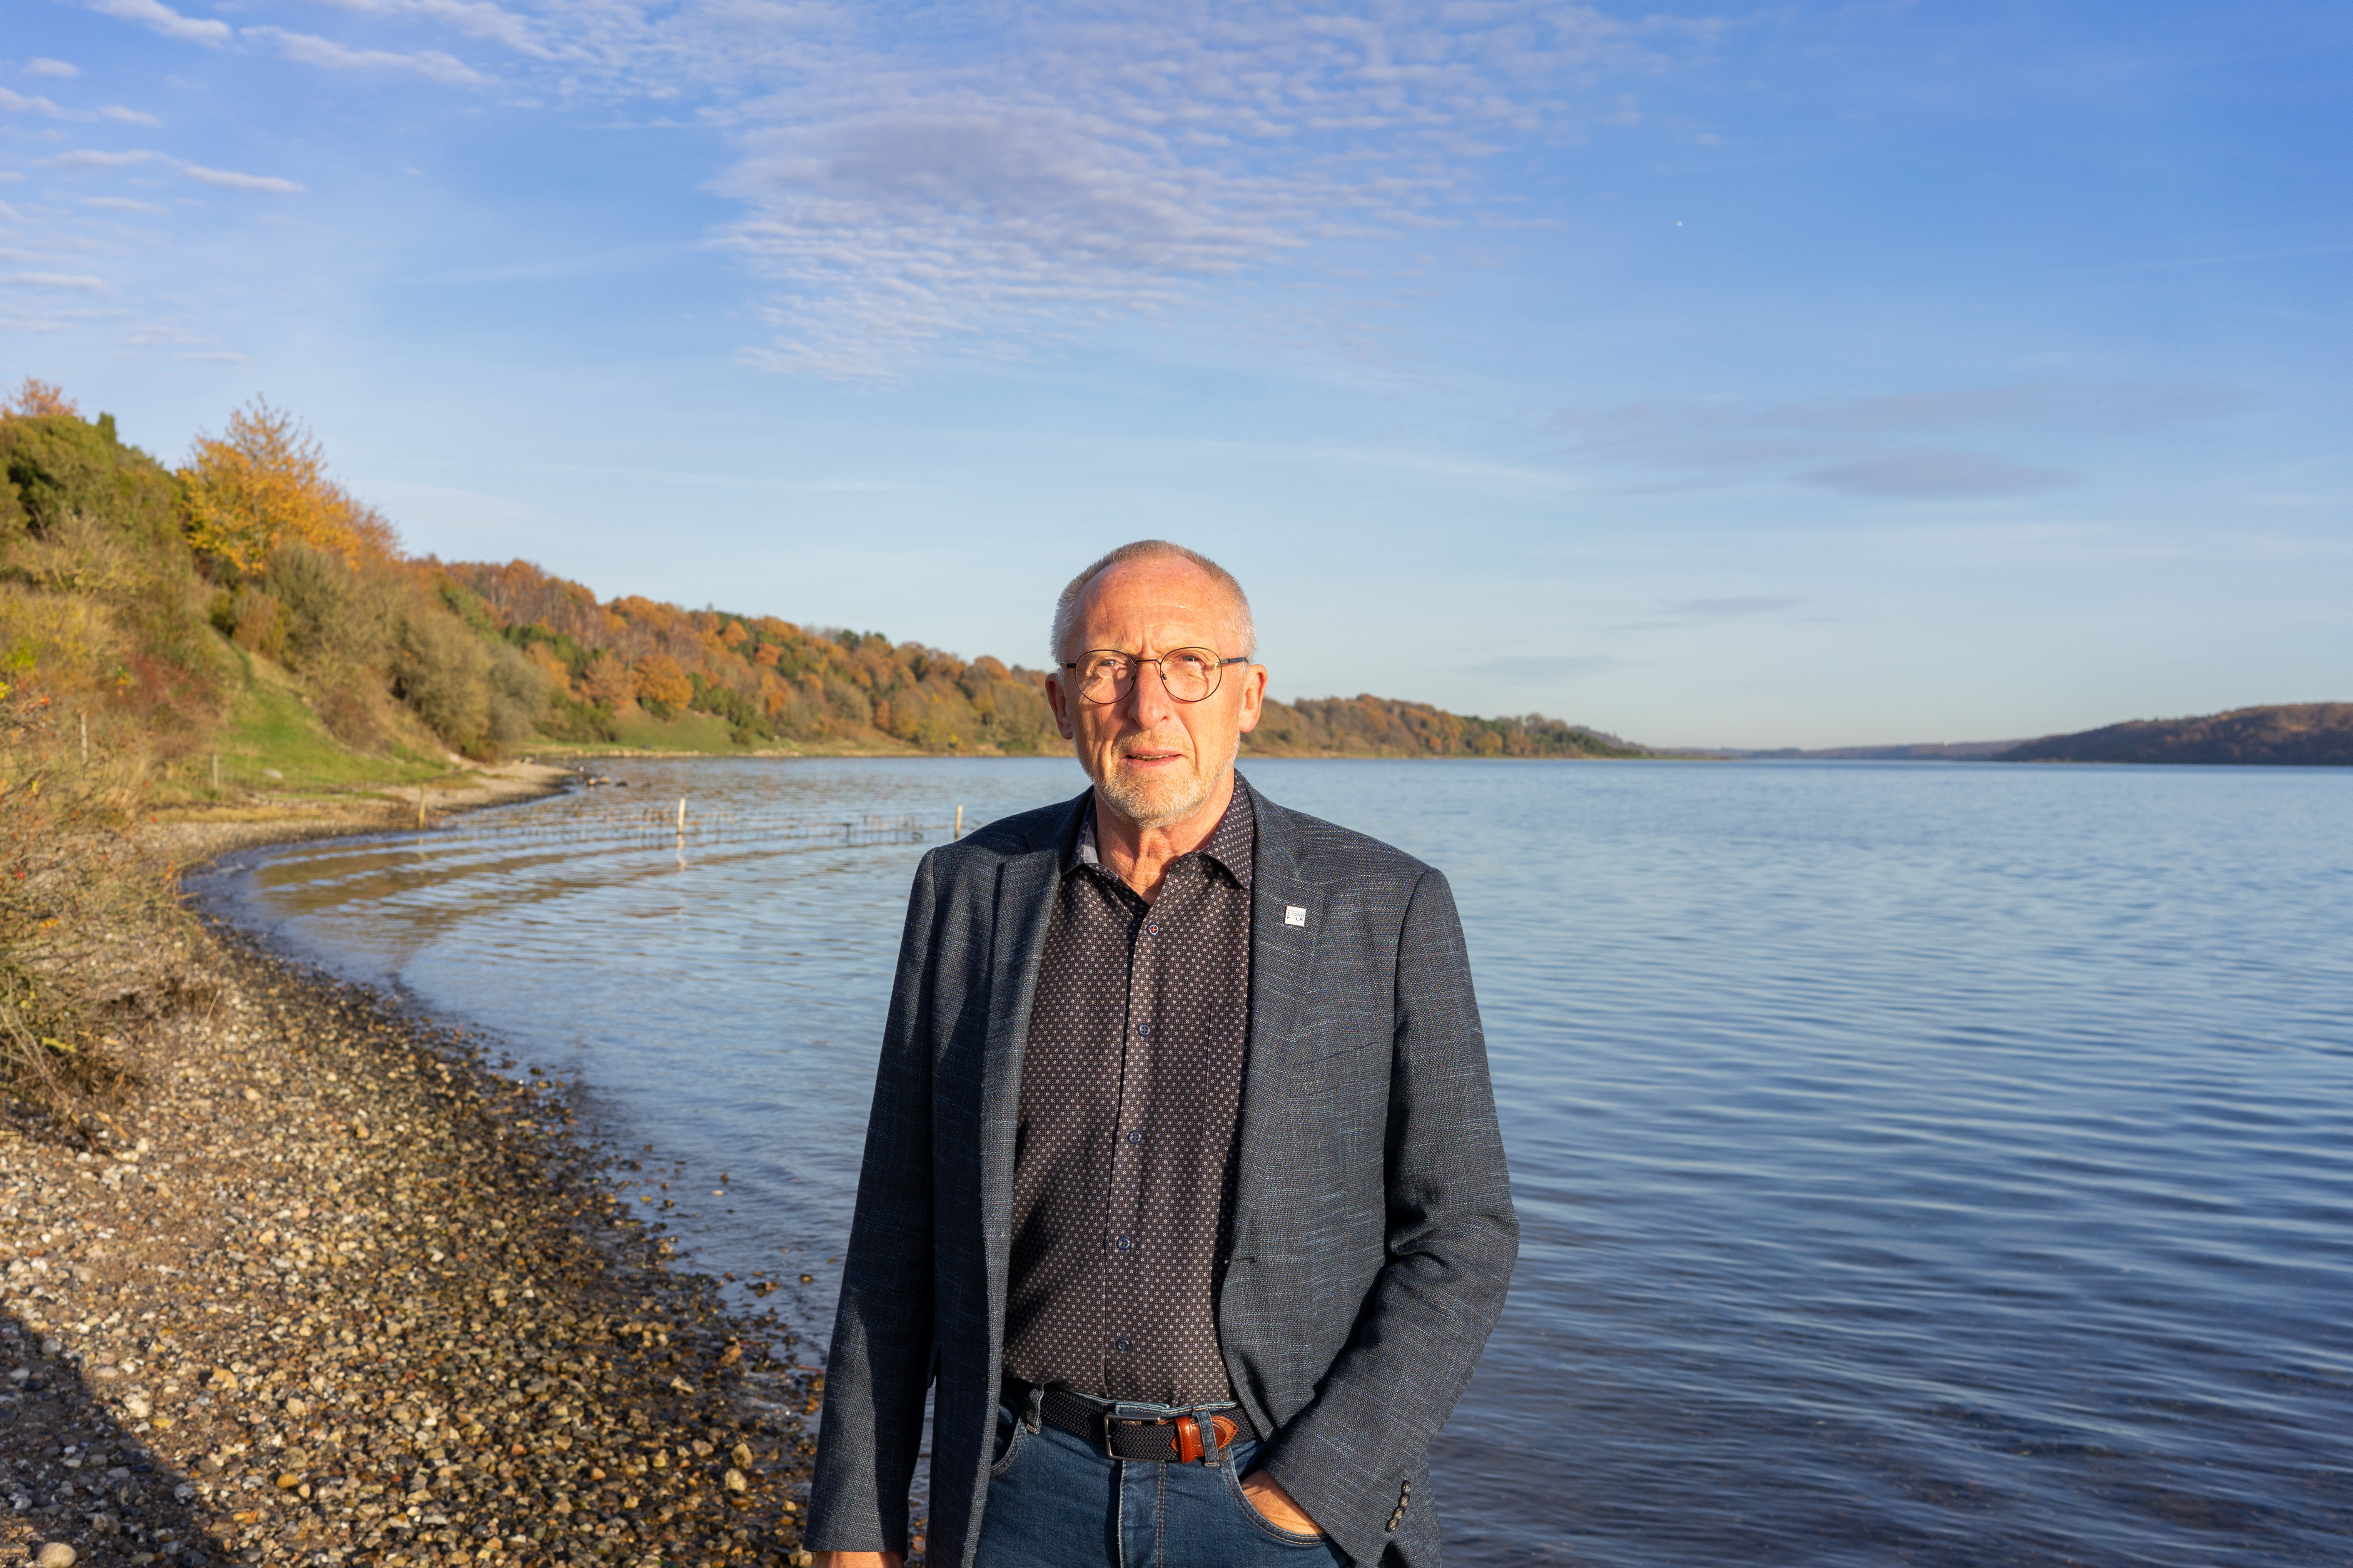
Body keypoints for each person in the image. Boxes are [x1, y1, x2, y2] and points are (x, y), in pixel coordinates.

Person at [805, 540, 1517, 1568]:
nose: (1148, 706)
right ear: (1061, 702)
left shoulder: (1386, 906)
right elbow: (895, 1225)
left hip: (1273, 1502)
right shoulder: (968, 891)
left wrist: (1317, 1485)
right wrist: (855, 1522)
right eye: (1108, 667)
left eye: (1189, 664)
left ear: (1248, 695)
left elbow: (1463, 1234)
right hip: (1017, 1497)